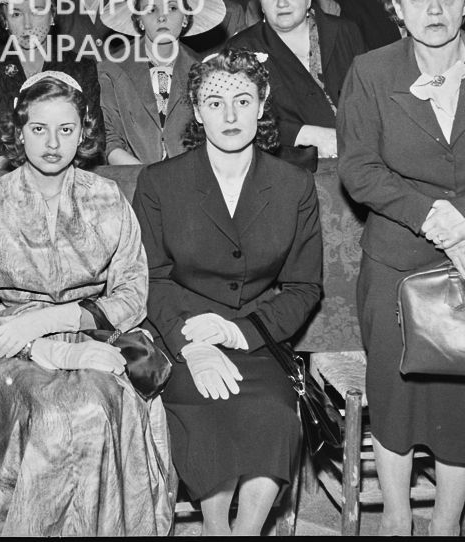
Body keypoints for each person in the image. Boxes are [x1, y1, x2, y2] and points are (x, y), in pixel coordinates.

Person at [337, 0, 465, 536]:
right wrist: (432, 216)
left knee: (462, 399)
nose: (435, 9)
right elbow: (358, 169)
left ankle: (443, 527)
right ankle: (394, 522)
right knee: (396, 397)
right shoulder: (371, 71)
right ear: (396, 6)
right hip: (396, 262)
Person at [0, 72, 176, 535]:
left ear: (84, 132)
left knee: (97, 404)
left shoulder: (106, 197)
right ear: (18, 133)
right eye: (39, 129)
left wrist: (62, 321)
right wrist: (40, 345)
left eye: (66, 129)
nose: (53, 143)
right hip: (12, 347)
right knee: (55, 411)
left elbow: (132, 294)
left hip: (97, 335)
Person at [132, 50, 323, 535]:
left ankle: (247, 532)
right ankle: (217, 527)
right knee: (204, 406)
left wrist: (239, 334)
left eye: (243, 100)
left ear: (262, 107)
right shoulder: (160, 182)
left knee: (275, 414)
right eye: (215, 103)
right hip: (183, 334)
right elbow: (150, 276)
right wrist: (192, 345)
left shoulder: (293, 185)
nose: (231, 115)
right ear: (196, 111)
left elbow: (304, 287)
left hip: (258, 339)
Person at [228, 0, 365, 168]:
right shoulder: (242, 49)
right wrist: (305, 134)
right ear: (260, 2)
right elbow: (237, 117)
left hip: (359, 158)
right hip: (287, 167)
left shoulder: (345, 31)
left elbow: (370, 97)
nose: (282, 2)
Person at [0, 0, 103, 170]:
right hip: (1, 180)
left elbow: (94, 137)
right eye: (16, 14)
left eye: (36, 12)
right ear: (5, 21)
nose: (27, 25)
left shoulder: (80, 68)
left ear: (52, 16)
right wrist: (17, 174)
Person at [99, 0, 226, 165]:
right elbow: (108, 138)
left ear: (185, 18)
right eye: (150, 9)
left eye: (172, 8)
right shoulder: (111, 70)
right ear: (139, 21)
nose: (162, 16)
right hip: (130, 178)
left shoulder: (204, 71)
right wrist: (145, 176)